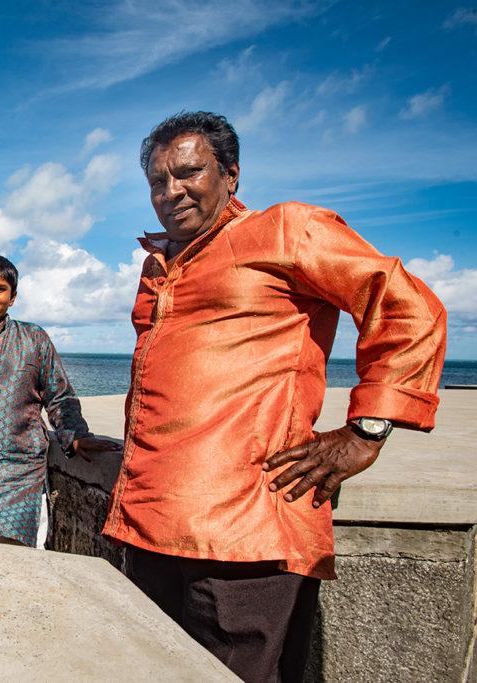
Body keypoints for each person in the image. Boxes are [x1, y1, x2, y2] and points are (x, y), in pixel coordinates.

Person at [102, 111, 447, 682]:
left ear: (231, 174)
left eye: (189, 173)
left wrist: (369, 428)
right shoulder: (159, 264)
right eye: (157, 182)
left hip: (242, 536)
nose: (171, 192)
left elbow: (406, 306)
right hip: (147, 524)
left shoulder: (288, 229)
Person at [0, 254, 120, 547]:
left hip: (21, 475)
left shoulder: (34, 339)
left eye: (0, 288)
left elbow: (59, 394)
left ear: (12, 297)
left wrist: (77, 435)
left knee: (19, 564)